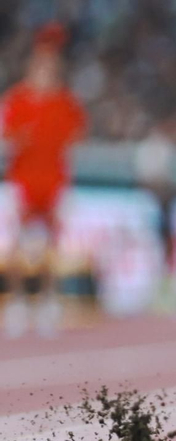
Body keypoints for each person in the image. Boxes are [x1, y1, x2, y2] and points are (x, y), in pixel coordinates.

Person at [1, 23, 86, 337]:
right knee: (16, 244)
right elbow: (8, 137)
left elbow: (77, 136)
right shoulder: (18, 100)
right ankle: (17, 302)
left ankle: (48, 301)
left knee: (52, 245)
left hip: (54, 180)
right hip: (23, 179)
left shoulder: (64, 102)